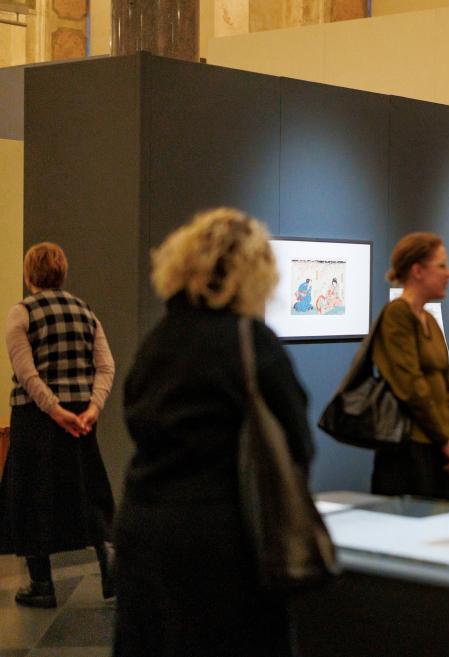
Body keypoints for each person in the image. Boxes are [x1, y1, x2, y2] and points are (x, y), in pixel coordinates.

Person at [114, 208, 313, 657]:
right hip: (223, 539)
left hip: (142, 527)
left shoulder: (156, 341)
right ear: (254, 272)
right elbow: (297, 441)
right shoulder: (249, 340)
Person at [0, 242, 116, 608]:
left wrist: (53, 409)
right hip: (81, 417)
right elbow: (106, 366)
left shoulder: (21, 313)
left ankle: (41, 584)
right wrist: (92, 408)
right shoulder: (86, 312)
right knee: (89, 487)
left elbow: (26, 372)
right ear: (62, 272)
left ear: (28, 274)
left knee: (31, 495)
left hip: (36, 419)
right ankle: (109, 558)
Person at [371, 232, 449, 502]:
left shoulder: (428, 318)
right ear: (417, 271)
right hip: (410, 451)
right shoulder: (397, 315)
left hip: (441, 447)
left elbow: (444, 386)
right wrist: (446, 441)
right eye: (441, 265)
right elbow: (411, 386)